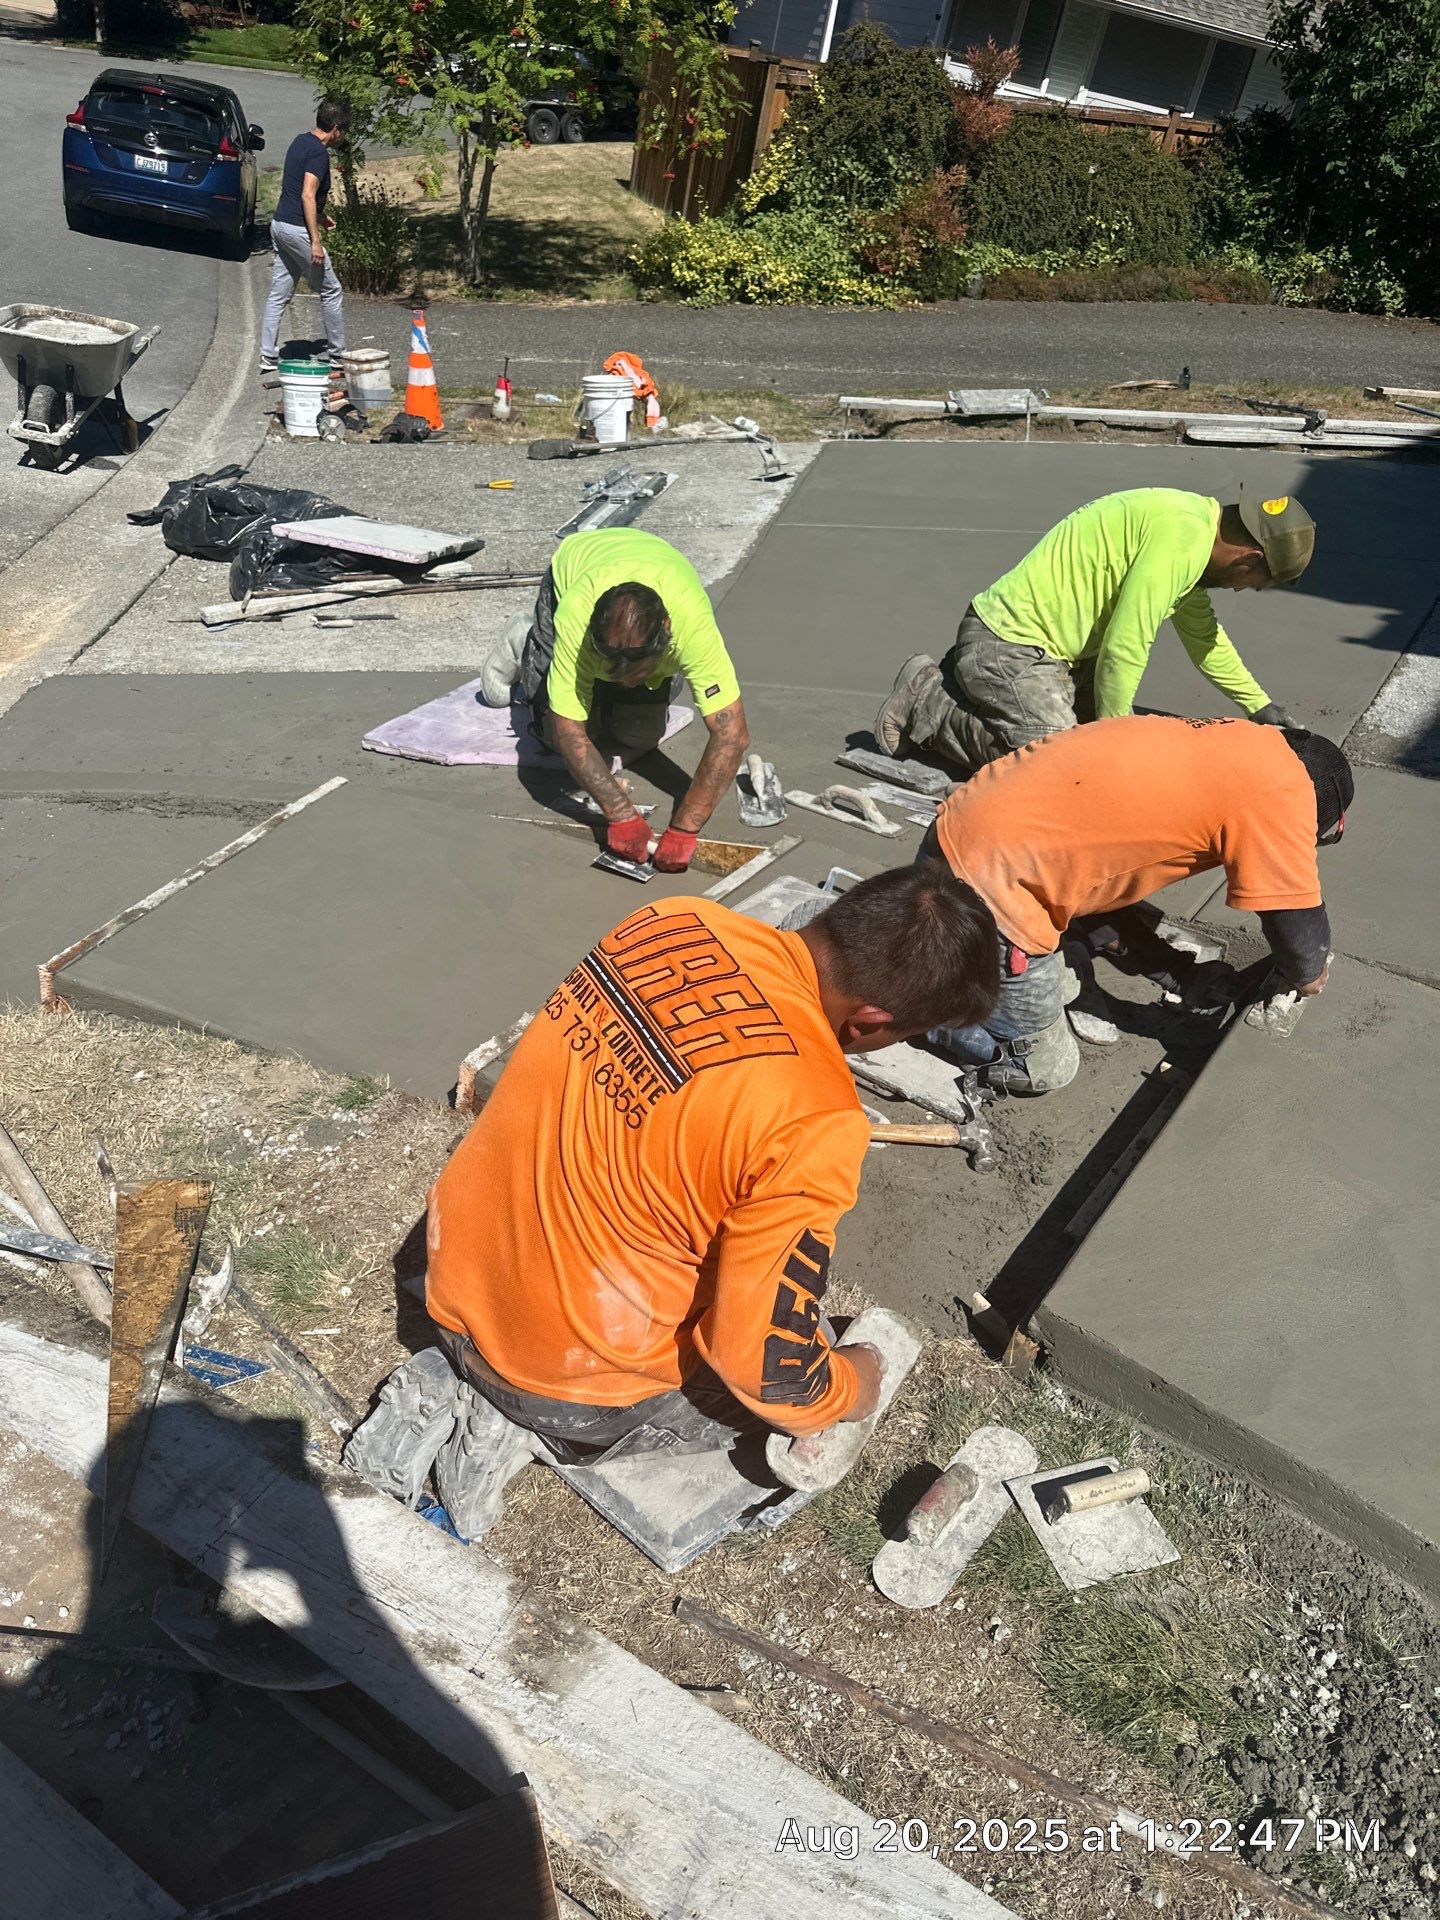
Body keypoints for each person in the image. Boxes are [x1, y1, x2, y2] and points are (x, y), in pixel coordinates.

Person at [423, 867, 999, 1483]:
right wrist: (855, 1384)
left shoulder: (672, 920)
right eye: (904, 1036)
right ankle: (549, 1430)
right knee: (793, 1368)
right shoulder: (816, 1118)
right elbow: (763, 1368)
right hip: (561, 1381)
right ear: (868, 1021)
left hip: (451, 1277)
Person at [916, 713, 1352, 1095]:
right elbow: (1297, 926)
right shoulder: (1283, 796)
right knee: (1047, 1068)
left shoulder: (1243, 740)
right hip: (986, 893)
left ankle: (1013, 957)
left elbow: (1101, 881)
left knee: (1089, 919)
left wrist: (1179, 975)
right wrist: (1310, 974)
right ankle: (919, 1006)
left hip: (962, 826)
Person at [875, 485, 1316, 776]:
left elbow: (1205, 639)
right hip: (1009, 645)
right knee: (1062, 768)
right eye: (1252, 584)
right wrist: (1112, 747)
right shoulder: (1180, 542)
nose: (1239, 589)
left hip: (1054, 656)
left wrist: (1259, 705)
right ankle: (929, 702)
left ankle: (968, 687)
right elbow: (1126, 644)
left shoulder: (1194, 530)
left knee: (1114, 739)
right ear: (1250, 559)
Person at [482, 527, 750, 873]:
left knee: (638, 738)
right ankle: (525, 638)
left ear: (667, 631)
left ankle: (621, 675)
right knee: (550, 737)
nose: (626, 680)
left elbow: (731, 736)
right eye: (615, 668)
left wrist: (686, 828)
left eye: (636, 670)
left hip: (656, 562)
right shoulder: (575, 619)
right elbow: (568, 732)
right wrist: (621, 815)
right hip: (578, 561)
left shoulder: (692, 628)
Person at [259, 98, 350, 375]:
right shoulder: (319, 154)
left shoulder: (300, 141)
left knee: (279, 294)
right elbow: (307, 194)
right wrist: (315, 241)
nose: (344, 137)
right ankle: (338, 355)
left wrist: (322, 217)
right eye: (344, 131)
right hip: (297, 231)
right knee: (331, 290)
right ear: (335, 129)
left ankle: (267, 355)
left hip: (279, 225)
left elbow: (295, 188)